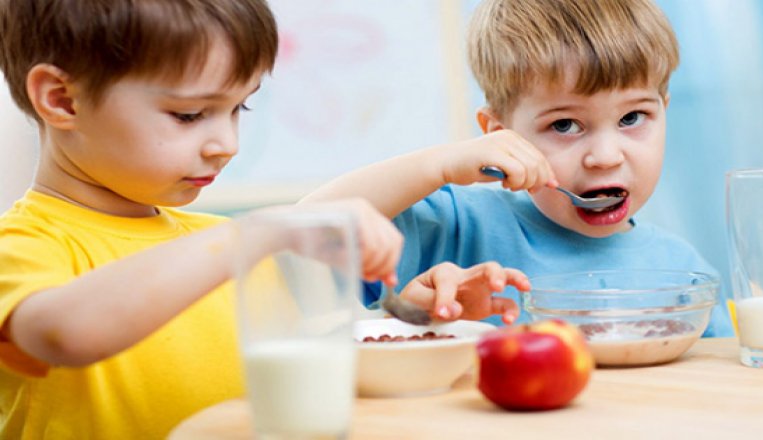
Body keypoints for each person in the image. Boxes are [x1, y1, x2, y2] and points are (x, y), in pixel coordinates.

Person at [0, 1, 527, 438]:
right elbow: (64, 333)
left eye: (239, 109)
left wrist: (417, 320)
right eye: (189, 114)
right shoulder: (24, 244)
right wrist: (256, 234)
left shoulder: (215, 241)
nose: (226, 144)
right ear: (62, 99)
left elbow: (311, 367)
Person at [301, 0, 733, 336]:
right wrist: (437, 165)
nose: (605, 156)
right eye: (564, 125)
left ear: (664, 111)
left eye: (632, 117)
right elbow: (302, 231)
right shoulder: (457, 226)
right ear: (500, 134)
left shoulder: (685, 273)